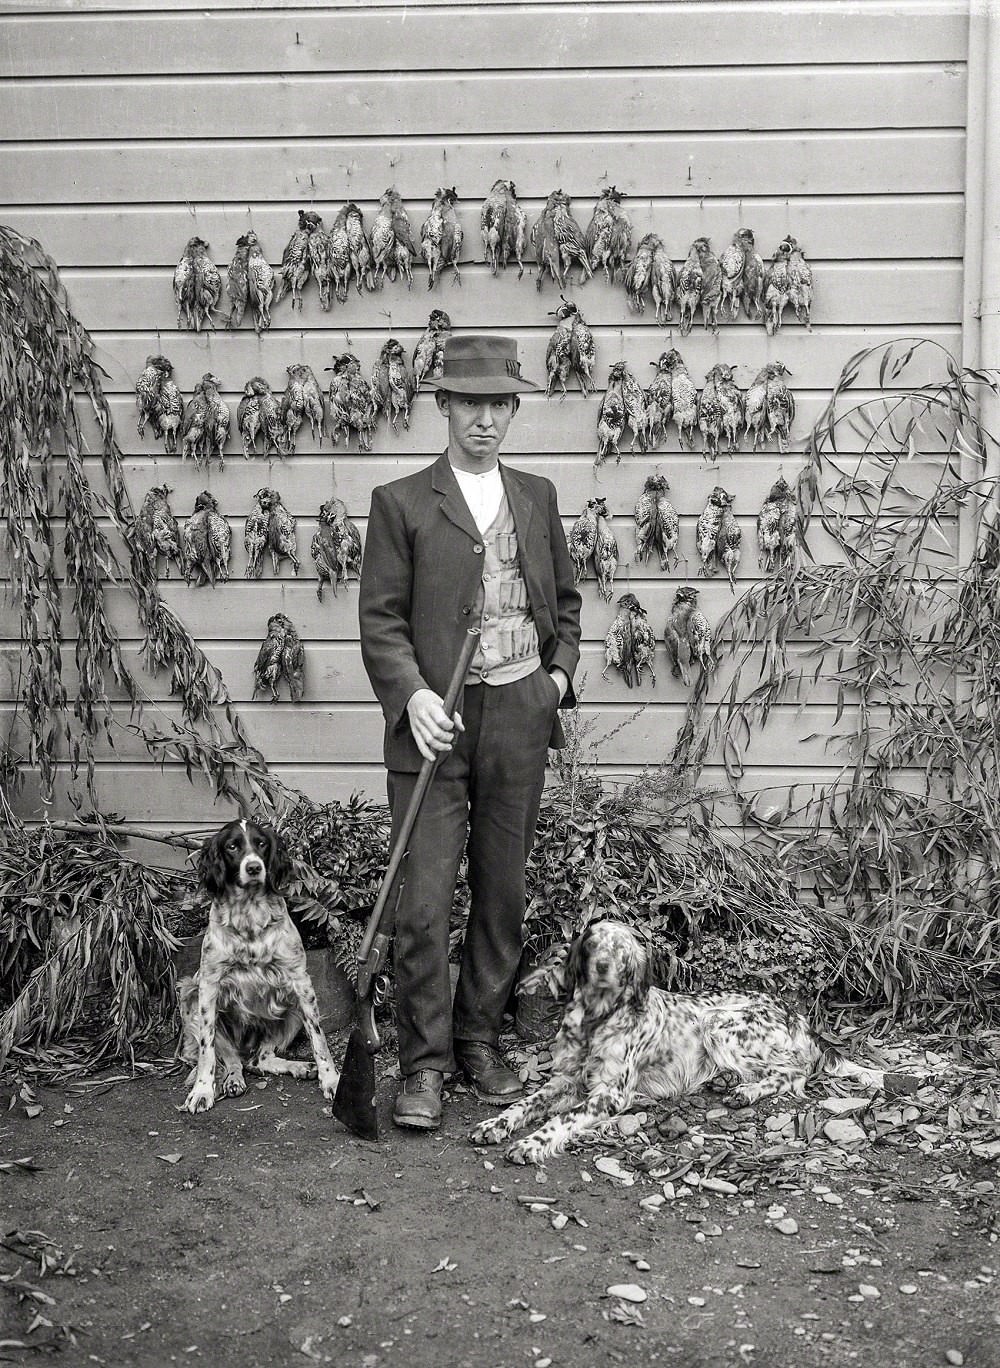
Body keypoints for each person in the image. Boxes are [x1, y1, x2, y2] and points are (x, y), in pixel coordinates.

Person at [359, 334, 582, 1130]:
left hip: (518, 715)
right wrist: (411, 696)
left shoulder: (537, 496)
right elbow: (381, 620)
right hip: (433, 730)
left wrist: (553, 685)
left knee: (502, 893)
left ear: (513, 410)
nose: (484, 419)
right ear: (444, 406)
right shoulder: (402, 502)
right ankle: (421, 1064)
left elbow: (565, 605)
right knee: (423, 901)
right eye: (469, 404)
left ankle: (478, 1042)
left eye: (499, 404)